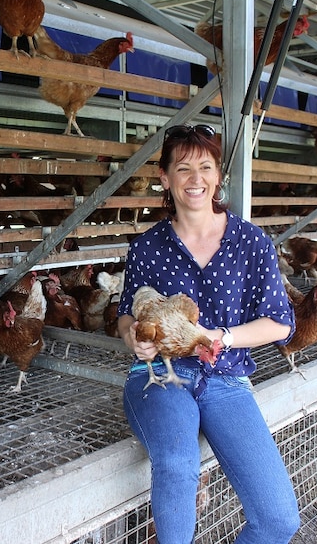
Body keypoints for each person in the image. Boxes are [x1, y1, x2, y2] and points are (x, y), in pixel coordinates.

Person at [116, 124, 300, 544]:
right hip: (159, 374)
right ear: (165, 178)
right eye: (183, 168)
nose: (195, 178)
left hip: (226, 378)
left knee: (277, 520)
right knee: (180, 465)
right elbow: (126, 315)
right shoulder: (147, 247)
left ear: (219, 177)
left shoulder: (251, 242)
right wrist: (133, 338)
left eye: (205, 167)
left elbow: (280, 322)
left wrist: (221, 336)